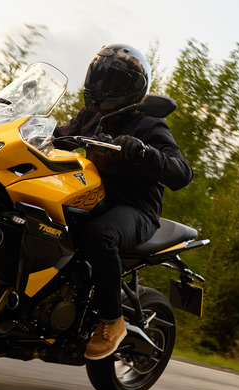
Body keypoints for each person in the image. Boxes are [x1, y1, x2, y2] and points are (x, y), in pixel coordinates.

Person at [54, 44, 193, 360]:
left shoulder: (148, 123)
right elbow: (60, 134)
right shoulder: (90, 116)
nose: (101, 89)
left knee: (99, 234)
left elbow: (182, 173)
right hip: (95, 197)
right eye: (98, 80)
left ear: (130, 89)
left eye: (111, 83)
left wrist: (144, 152)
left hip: (136, 209)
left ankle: (111, 322)